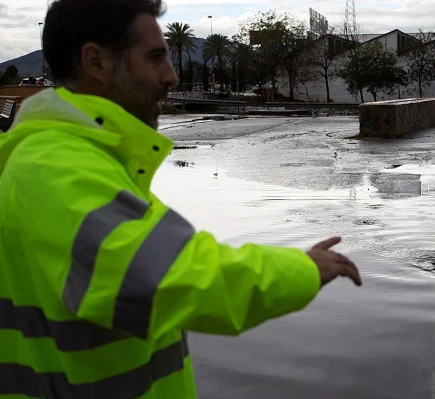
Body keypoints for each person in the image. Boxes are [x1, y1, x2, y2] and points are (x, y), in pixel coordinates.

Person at [0, 1, 361, 398]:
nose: (171, 76)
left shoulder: (83, 158)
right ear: (96, 62)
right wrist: (302, 269)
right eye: (155, 58)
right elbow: (170, 276)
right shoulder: (56, 167)